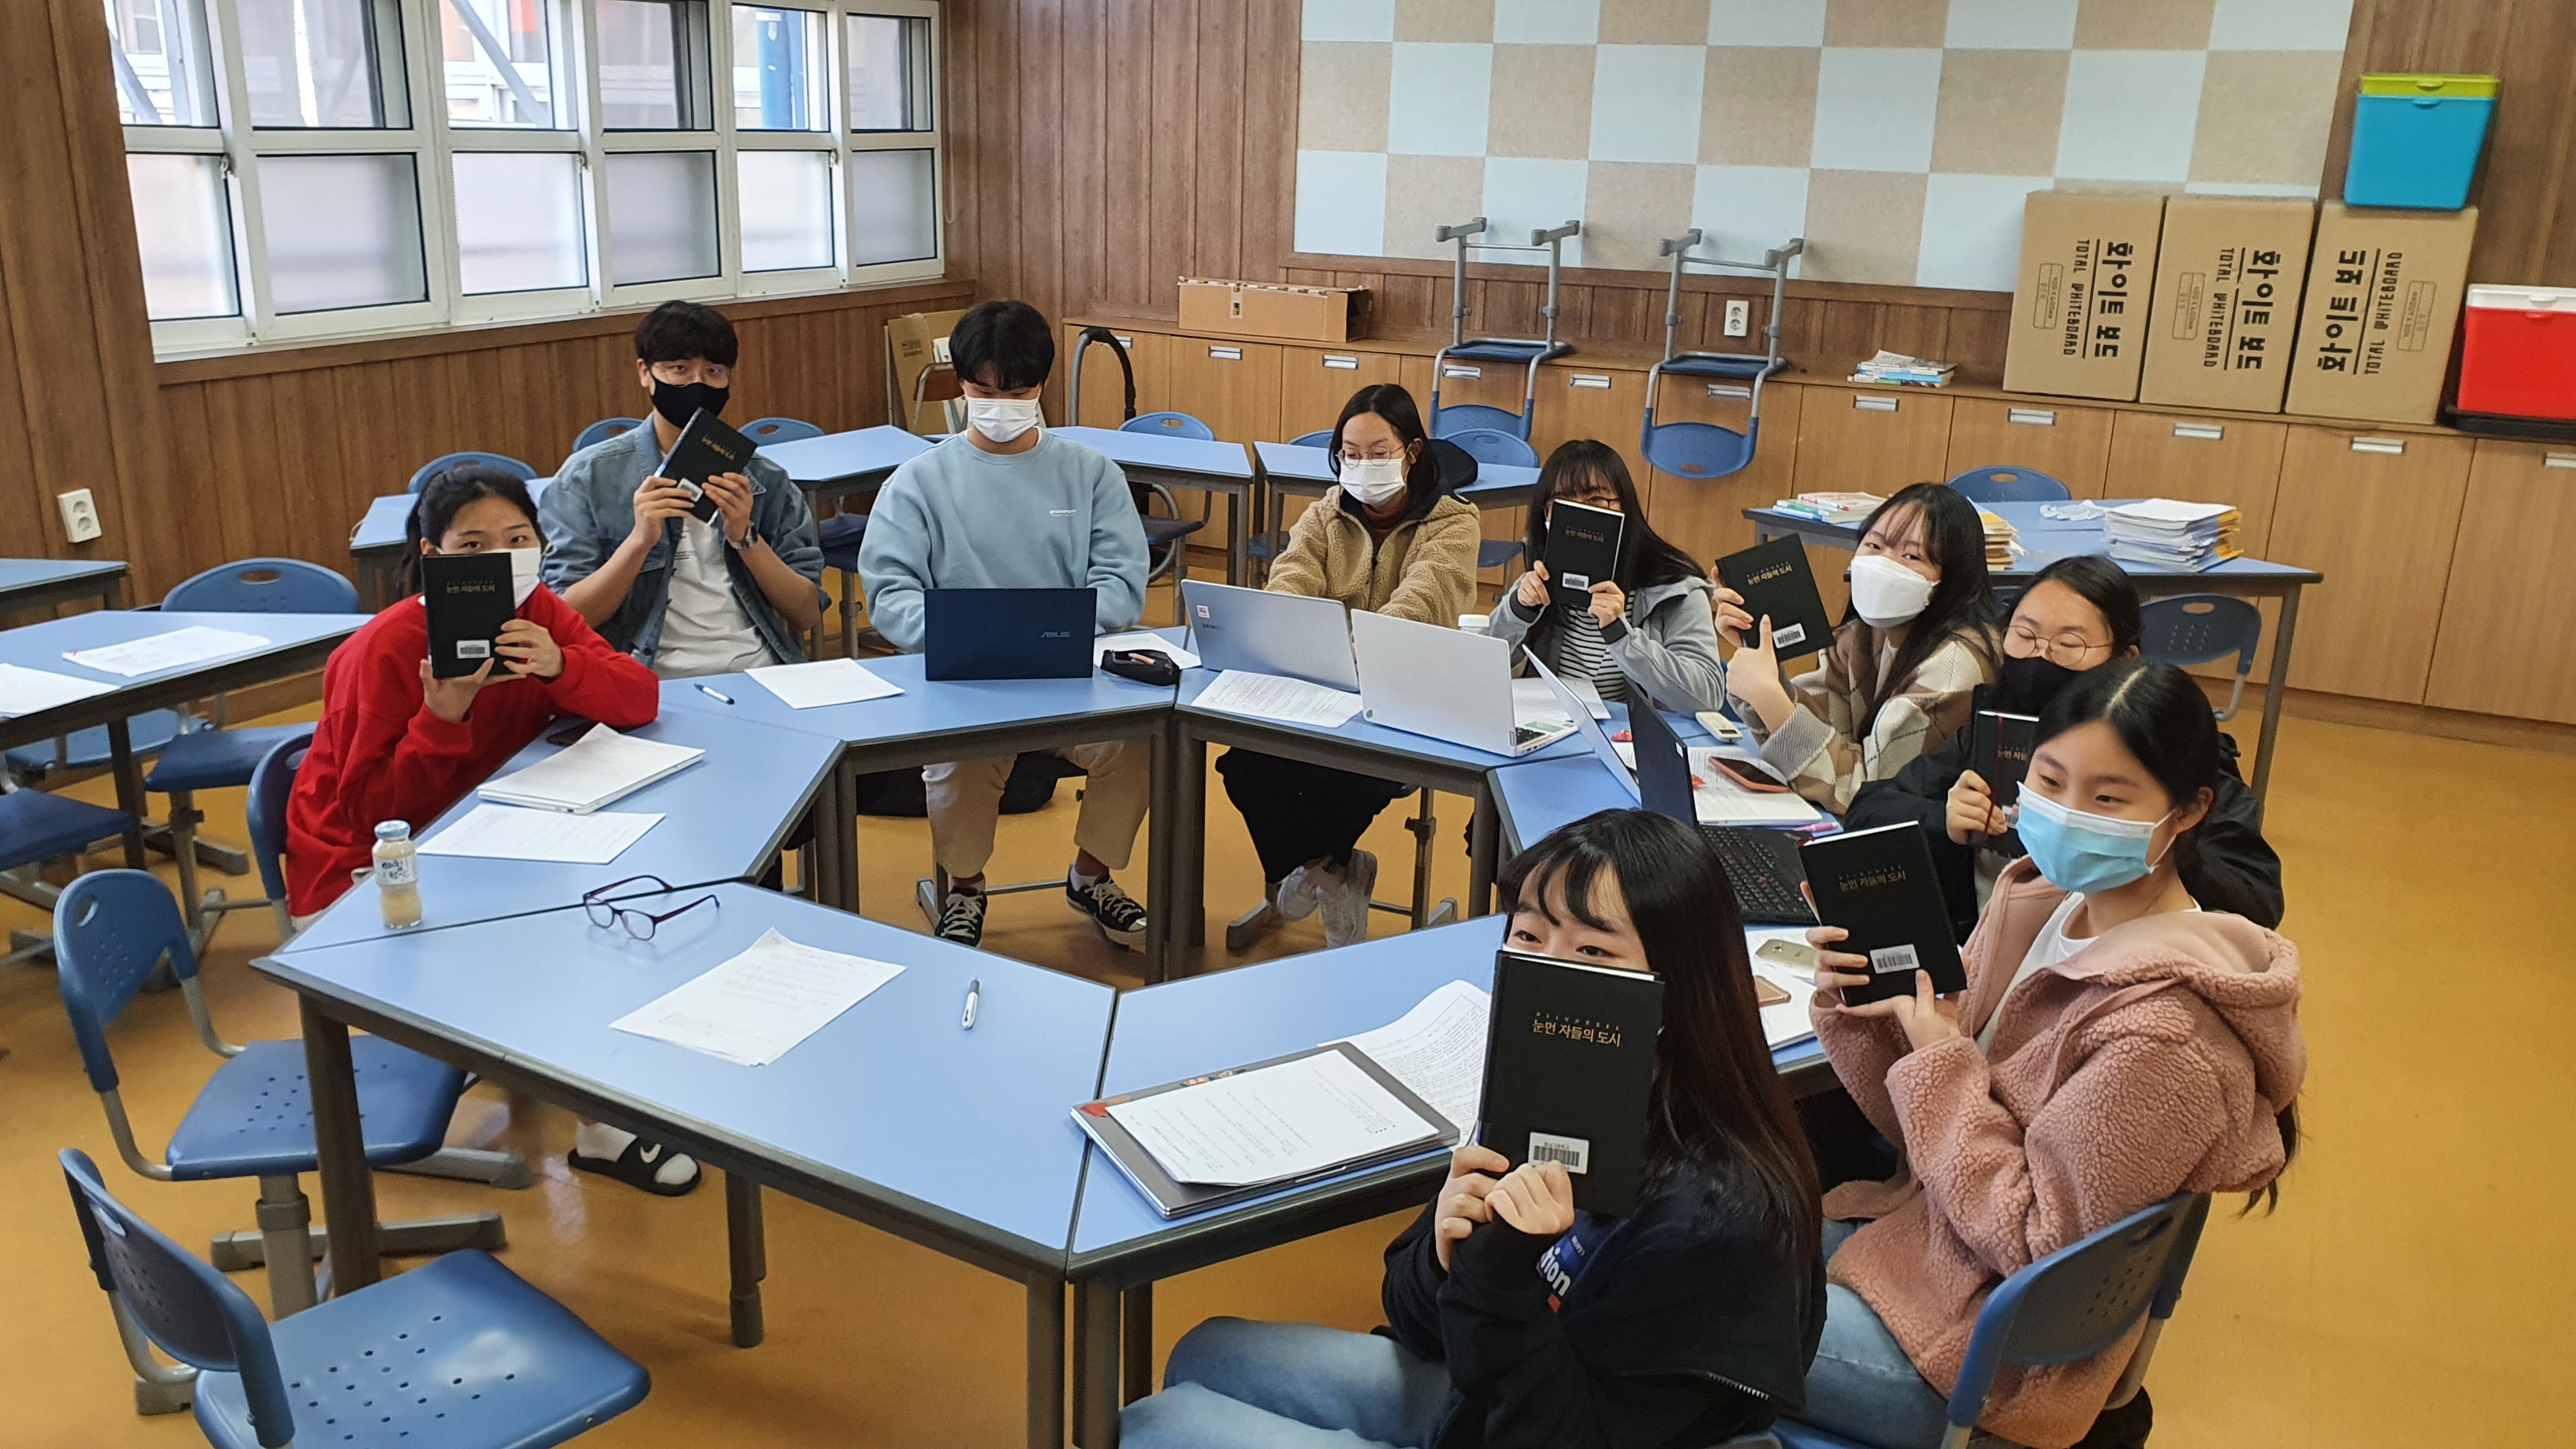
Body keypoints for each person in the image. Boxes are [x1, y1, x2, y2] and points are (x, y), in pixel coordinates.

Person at [1122, 809, 1825, 1449]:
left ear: (1680, 987)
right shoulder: (1548, 1088)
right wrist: (1444, 1252)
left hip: (1541, 1423)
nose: (1548, 975)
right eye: (1529, 936)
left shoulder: (1712, 1218)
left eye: (1594, 954)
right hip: (1492, 1389)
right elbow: (1416, 1317)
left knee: (1158, 1426)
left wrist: (1500, 1280)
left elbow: (1561, 1434)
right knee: (1203, 1352)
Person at [1793, 661, 2306, 1449]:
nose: (2067, 813)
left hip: (1985, 1362)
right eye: (2050, 779)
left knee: (1667, 1314)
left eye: (2109, 799)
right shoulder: (2043, 904)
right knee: (1691, 1248)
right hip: (1923, 1244)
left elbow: (2036, 1243)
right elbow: (1921, 1129)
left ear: (2188, 811)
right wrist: (1870, 1009)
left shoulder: (2169, 1038)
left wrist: (1940, 1062)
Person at [284, 467, 702, 1195]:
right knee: (552, 935)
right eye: (473, 545)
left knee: (614, 893)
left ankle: (595, 1079)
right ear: (433, 555)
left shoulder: (537, 611)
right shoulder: (384, 648)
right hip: (364, 872)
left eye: (517, 540)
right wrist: (440, 719)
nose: (502, 560)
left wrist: (563, 664)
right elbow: (371, 816)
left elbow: (639, 699)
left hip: (489, 836)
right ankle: (601, 1121)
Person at [857, 298, 1152, 951]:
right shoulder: (918, 482)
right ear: (960, 385)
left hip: (1073, 680)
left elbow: (1122, 585)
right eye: (984, 392)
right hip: (967, 683)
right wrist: (964, 636)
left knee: (1139, 741)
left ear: (1041, 386)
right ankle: (964, 888)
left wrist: (1052, 631)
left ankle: (1091, 875)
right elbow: (890, 594)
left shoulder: (1091, 475)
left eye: (1017, 393)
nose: (1000, 405)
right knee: (959, 761)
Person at [1844, 554, 2284, 938]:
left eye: (2069, 644)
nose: (2041, 657)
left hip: (2119, 952)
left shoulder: (2170, 745)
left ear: (2124, 659)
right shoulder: (1993, 727)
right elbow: (1869, 809)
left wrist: (2151, 844)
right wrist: (1942, 819)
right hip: (1989, 945)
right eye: (2025, 635)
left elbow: (2256, 896)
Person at [1216, 383, 1480, 948]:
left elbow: (1425, 598)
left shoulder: (1454, 522)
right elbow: (1291, 577)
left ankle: (1324, 868)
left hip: (1403, 697)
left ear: (1412, 452)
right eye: (1350, 454)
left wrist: (1365, 645)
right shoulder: (1325, 513)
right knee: (1245, 767)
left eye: (1378, 453)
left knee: (1341, 776)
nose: (1362, 466)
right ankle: (1334, 870)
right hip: (1324, 689)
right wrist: (1292, 628)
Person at [540, 300, 825, 677]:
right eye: (679, 369)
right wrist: (639, 542)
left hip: (758, 669)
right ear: (645, 373)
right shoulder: (587, 478)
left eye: (714, 371)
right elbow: (565, 620)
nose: (697, 384)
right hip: (644, 677)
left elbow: (806, 614)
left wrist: (745, 537)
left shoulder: (765, 480)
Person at [1716, 482, 2000, 814]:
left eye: (1912, 556)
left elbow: (1871, 795)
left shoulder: (1954, 668)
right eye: (1874, 545)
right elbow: (1826, 729)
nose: (1884, 564)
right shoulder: (1865, 632)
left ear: (1951, 578)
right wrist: (1757, 655)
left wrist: (1769, 698)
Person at [1485, 440, 1726, 713]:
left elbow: (1706, 696)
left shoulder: (1675, 587)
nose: (1579, 515)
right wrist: (1517, 612)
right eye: (1562, 504)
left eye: (1596, 501)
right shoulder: (1540, 577)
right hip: (1552, 727)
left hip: (1635, 734)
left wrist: (1621, 636)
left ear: (1624, 506)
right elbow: (1477, 668)